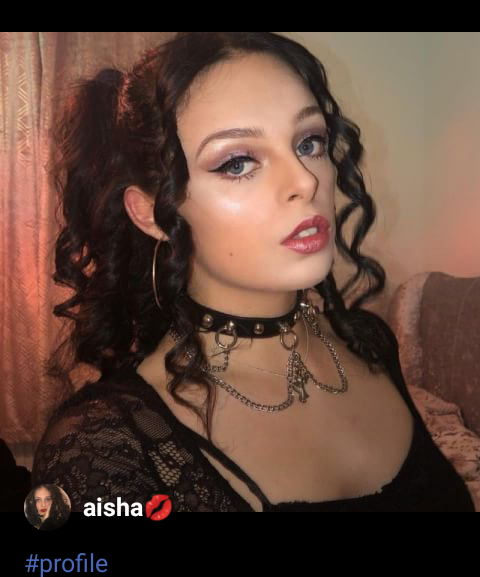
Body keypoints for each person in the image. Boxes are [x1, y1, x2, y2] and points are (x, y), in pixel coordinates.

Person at [31, 32, 475, 512]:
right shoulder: (104, 450)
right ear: (151, 213)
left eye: (309, 142)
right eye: (238, 162)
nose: (305, 180)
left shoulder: (370, 342)